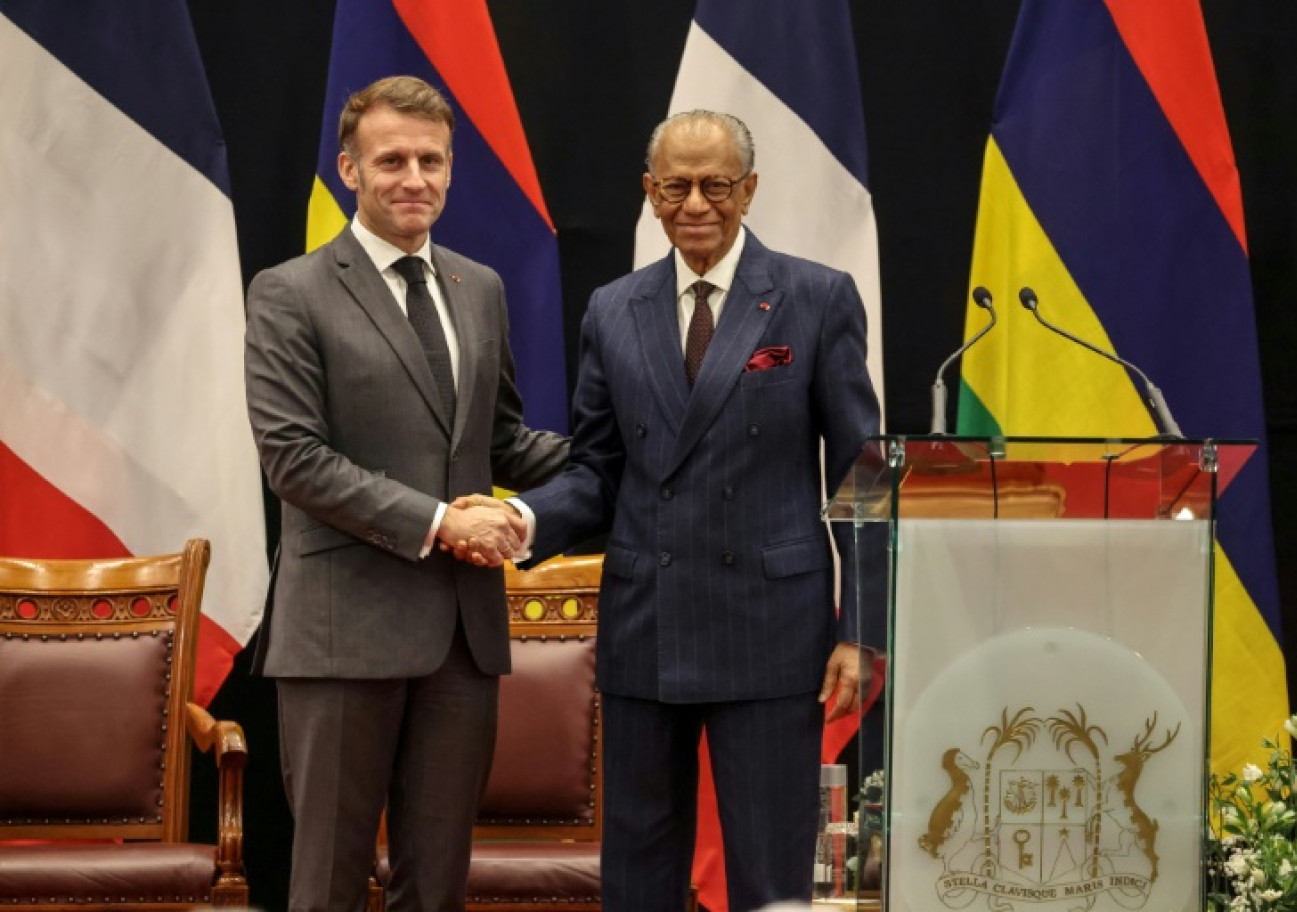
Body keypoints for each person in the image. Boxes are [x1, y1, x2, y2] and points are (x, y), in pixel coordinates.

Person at [503, 109, 881, 912]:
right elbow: (598, 471)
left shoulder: (816, 298)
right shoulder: (613, 308)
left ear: (750, 189)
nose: (696, 204)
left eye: (716, 185)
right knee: (637, 874)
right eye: (676, 187)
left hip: (773, 630)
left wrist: (862, 630)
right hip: (649, 623)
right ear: (650, 192)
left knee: (771, 877)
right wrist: (524, 521)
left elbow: (865, 478)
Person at [243, 75, 566, 912]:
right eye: (392, 161)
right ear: (350, 170)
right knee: (328, 883)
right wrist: (439, 521)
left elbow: (499, 443)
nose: (415, 178)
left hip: (461, 638)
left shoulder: (478, 287)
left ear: (452, 169)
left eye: (432, 160)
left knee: (437, 886)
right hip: (340, 635)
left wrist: (634, 455)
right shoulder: (290, 291)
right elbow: (294, 458)